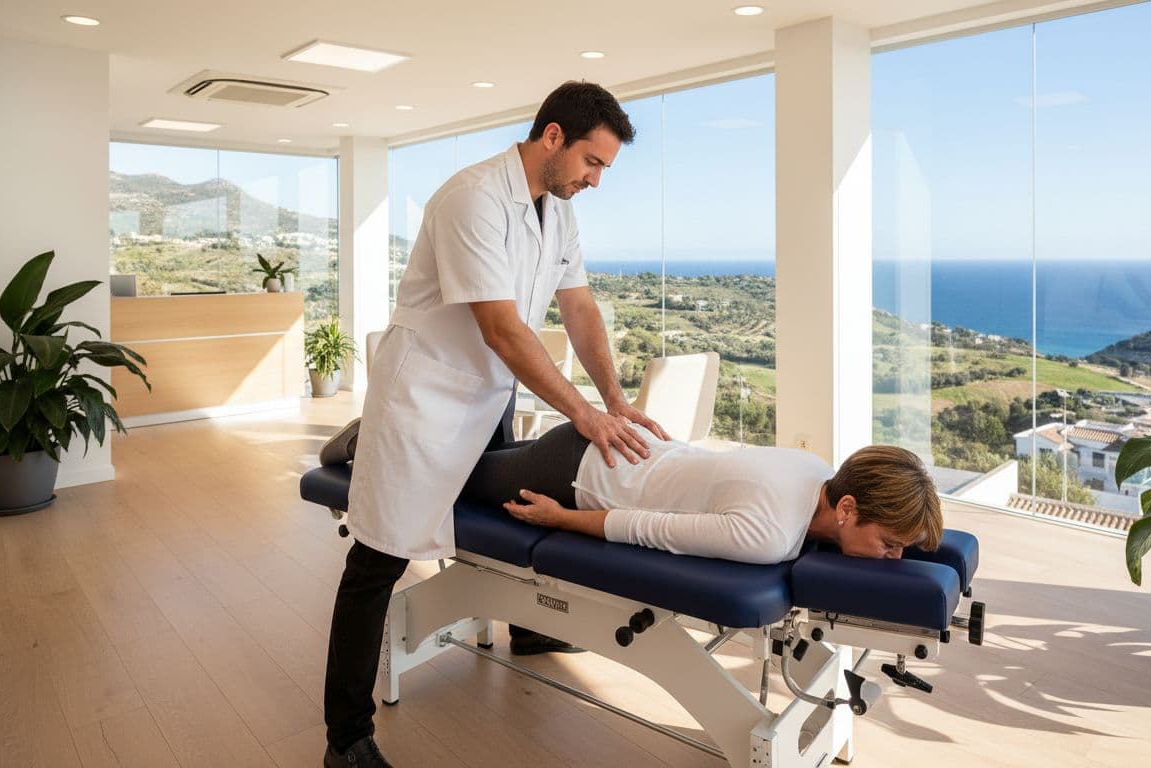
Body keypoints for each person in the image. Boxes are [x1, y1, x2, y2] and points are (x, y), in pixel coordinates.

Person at [324, 82, 666, 768]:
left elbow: (580, 309)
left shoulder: (558, 207)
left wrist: (616, 399)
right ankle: (347, 740)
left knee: (509, 519)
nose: (595, 180)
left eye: (603, 168)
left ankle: (530, 631)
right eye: (592, 162)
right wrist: (583, 414)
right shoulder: (471, 197)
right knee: (378, 559)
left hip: (490, 395)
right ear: (552, 138)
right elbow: (503, 329)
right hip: (425, 395)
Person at [460, 422, 944, 564]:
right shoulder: (769, 535)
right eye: (889, 543)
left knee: (482, 451)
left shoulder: (817, 470)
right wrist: (558, 518)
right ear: (848, 508)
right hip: (578, 469)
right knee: (456, 475)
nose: (896, 558)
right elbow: (643, 528)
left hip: (625, 446)